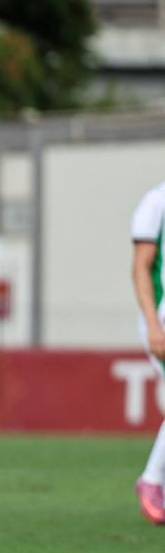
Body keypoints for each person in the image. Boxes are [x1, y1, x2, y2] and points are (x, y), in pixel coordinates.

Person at [131, 181, 165, 525]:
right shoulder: (157, 201)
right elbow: (141, 266)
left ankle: (154, 480)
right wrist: (153, 325)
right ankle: (152, 480)